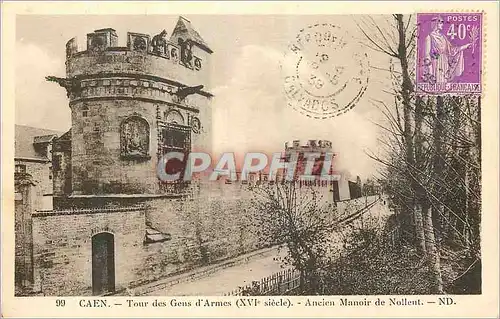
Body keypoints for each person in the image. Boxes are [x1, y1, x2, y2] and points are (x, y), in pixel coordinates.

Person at [422, 16, 474, 84]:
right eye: (441, 23)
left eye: (442, 23)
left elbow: (452, 50)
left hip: (445, 63)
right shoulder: (429, 37)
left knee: (444, 83)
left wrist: (465, 46)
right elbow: (427, 55)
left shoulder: (443, 37)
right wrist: (430, 72)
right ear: (436, 24)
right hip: (435, 64)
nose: (442, 25)